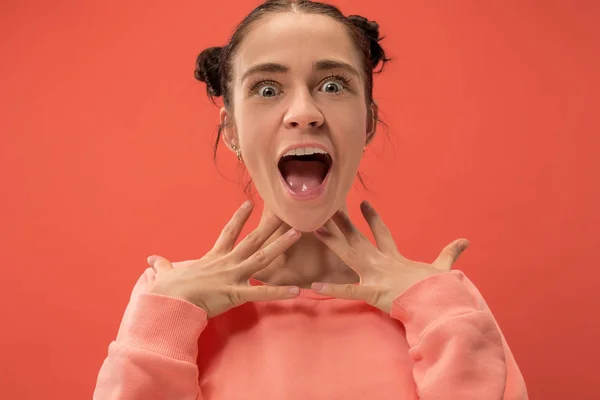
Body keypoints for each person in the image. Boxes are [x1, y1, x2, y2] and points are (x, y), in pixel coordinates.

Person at [93, 1, 528, 399]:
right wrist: (165, 324)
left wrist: (439, 314)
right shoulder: (170, 300)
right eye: (267, 89)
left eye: (334, 85)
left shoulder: (443, 304)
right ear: (231, 131)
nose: (305, 112)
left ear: (368, 122)